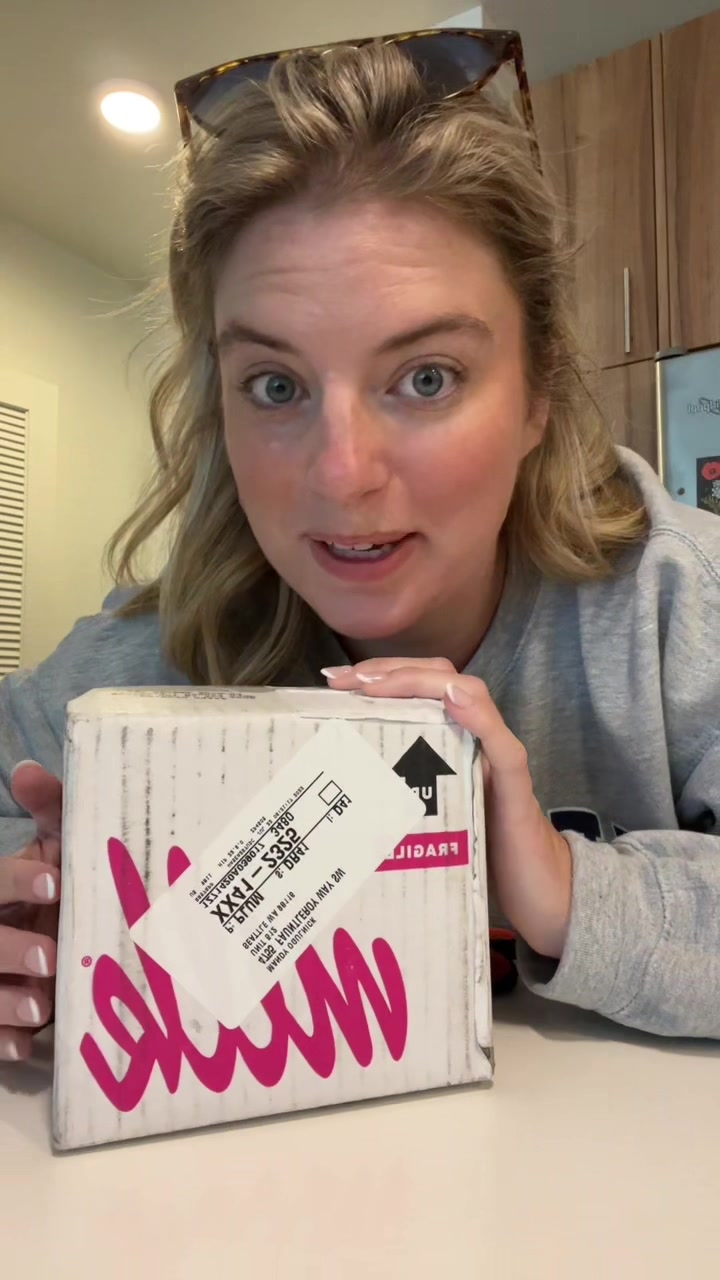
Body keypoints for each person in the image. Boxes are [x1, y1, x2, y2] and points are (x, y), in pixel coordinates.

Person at [1, 38, 719, 1067]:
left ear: (540, 393)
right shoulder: (140, 662)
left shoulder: (678, 602)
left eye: (426, 378)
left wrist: (567, 885)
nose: (341, 475)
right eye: (277, 387)